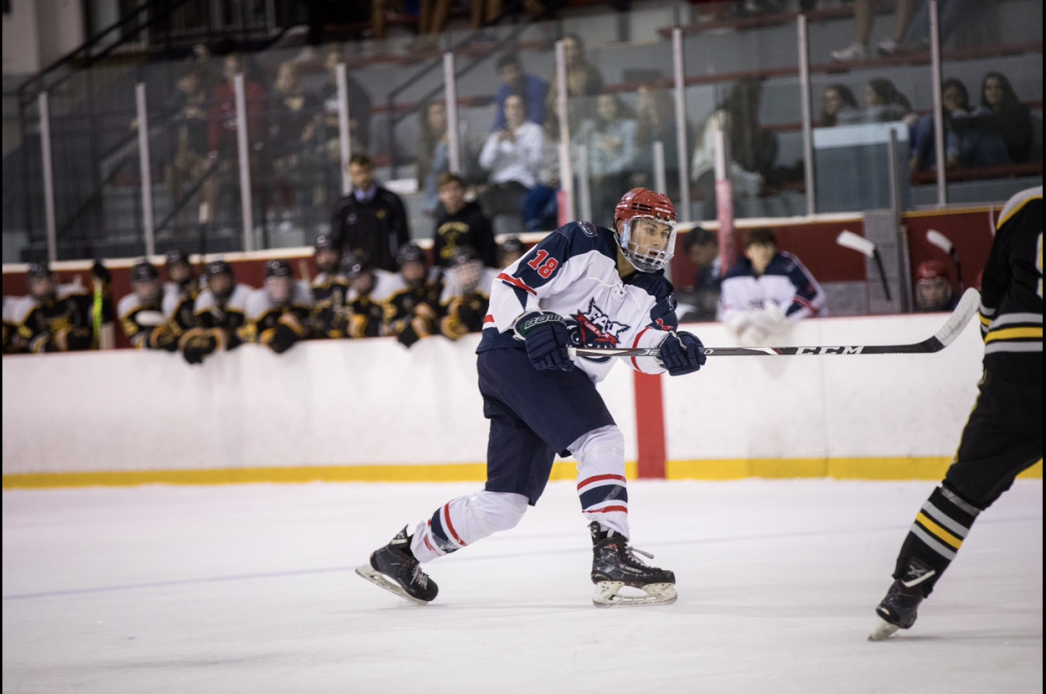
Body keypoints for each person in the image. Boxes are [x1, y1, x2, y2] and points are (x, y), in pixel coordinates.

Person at [355, 188, 706, 608]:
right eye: (648, 229)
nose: (656, 241)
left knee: (502, 505)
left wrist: (670, 350)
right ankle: (611, 552)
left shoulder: (657, 293)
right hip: (516, 353)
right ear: (623, 225)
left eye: (664, 233)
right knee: (600, 440)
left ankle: (400, 554)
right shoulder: (582, 242)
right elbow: (511, 284)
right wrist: (533, 320)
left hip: (544, 378)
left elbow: (641, 349)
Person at [870, 185, 1042, 640]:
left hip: (1019, 366)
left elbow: (992, 294)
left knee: (962, 491)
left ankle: (904, 592)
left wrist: (996, 357)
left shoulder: (1023, 205)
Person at [720, 227, 825, 346]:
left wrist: (783, 315)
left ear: (775, 248)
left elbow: (814, 295)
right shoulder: (733, 278)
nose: (763, 251)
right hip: (756, 338)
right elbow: (728, 311)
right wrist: (742, 328)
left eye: (767, 246)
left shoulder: (787, 266)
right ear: (748, 252)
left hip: (802, 337)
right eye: (757, 247)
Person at [691, 79, 777, 220]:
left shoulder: (749, 122)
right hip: (708, 167)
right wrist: (744, 177)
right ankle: (710, 230)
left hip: (732, 168)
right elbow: (717, 156)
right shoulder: (722, 116)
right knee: (719, 190)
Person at [204, 53, 268, 224]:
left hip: (252, 150)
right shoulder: (220, 92)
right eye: (228, 70)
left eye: (235, 70)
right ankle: (208, 222)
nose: (231, 74)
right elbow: (215, 125)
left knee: (245, 170)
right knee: (208, 170)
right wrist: (214, 153)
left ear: (245, 70)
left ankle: (244, 220)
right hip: (227, 151)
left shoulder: (255, 89)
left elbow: (254, 127)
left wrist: (236, 155)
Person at [331, 153, 410, 273]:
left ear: (372, 170)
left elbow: (403, 239)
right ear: (350, 176)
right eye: (357, 174)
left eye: (365, 171)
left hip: (387, 271)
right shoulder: (343, 207)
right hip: (357, 276)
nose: (363, 177)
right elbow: (337, 243)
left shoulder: (391, 201)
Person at [9, 262, 107, 353]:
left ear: (52, 279)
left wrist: (101, 292)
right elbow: (35, 345)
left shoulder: (74, 294)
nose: (41, 288)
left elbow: (98, 316)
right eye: (36, 283)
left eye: (43, 281)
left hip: (84, 354)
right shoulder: (25, 310)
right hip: (48, 364)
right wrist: (57, 342)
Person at [269, 61, 321, 231]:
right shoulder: (275, 101)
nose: (284, 80)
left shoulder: (310, 98)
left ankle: (314, 211)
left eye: (288, 76)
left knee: (310, 164)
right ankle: (285, 213)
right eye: (281, 77)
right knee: (273, 168)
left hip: (307, 148)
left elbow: (315, 125)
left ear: (297, 78)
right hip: (283, 151)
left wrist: (307, 137)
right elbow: (275, 131)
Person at [576, 93, 638, 228]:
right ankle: (596, 229)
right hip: (603, 178)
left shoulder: (629, 126)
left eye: (609, 104)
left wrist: (607, 172)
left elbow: (630, 157)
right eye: (602, 105)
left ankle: (618, 227)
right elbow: (594, 156)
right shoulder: (597, 131)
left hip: (624, 175)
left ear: (617, 106)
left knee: (608, 188)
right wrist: (598, 172)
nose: (606, 108)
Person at [477, 94, 543, 220]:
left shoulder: (534, 131)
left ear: (524, 109)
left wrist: (515, 143)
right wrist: (496, 143)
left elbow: (534, 164)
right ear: (505, 111)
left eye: (517, 107)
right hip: (498, 186)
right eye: (510, 107)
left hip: (521, 184)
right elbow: (485, 163)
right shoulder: (497, 134)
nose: (514, 111)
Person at [163, 64, 210, 232]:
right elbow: (163, 116)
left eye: (194, 77)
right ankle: (181, 220)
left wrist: (203, 115)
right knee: (171, 172)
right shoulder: (179, 102)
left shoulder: (210, 97)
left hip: (207, 155)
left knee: (201, 172)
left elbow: (218, 125)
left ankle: (205, 220)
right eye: (186, 78)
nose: (191, 81)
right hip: (188, 156)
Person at [180, 259, 252, 365]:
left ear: (231, 278)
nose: (220, 283)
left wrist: (216, 340)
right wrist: (192, 341)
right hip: (220, 368)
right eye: (215, 280)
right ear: (209, 283)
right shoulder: (203, 300)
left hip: (246, 364)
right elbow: (200, 329)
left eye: (223, 278)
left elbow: (249, 332)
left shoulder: (246, 296)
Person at [242, 260, 313, 354]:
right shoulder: (257, 302)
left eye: (286, 282)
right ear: (266, 284)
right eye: (275, 283)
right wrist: (263, 336)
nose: (281, 288)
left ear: (293, 282)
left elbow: (318, 325)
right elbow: (246, 334)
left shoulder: (305, 294)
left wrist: (303, 329)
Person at [433, 172, 497, 268]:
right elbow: (437, 255)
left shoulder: (478, 218)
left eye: (455, 189)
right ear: (440, 196)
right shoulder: (440, 221)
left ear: (464, 190)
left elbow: (489, 252)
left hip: (475, 274)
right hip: (448, 276)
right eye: (445, 190)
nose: (451, 194)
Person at [386, 243, 443, 348]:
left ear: (424, 265)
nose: (414, 271)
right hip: (407, 347)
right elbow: (389, 325)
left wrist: (434, 317)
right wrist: (413, 321)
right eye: (408, 268)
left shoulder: (439, 280)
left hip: (441, 339)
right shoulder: (395, 289)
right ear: (401, 270)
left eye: (417, 266)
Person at [437, 245, 500, 341]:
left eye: (472, 268)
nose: (468, 275)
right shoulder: (450, 289)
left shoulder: (496, 281)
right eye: (462, 271)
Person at [118, 260, 179, 351]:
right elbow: (137, 339)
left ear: (159, 281)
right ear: (134, 286)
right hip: (149, 353)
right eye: (143, 285)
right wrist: (154, 339)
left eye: (152, 283)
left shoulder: (172, 293)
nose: (149, 288)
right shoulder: (128, 306)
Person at [545, 34, 604, 124]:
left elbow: (592, 103)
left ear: (580, 51)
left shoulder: (590, 74)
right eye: (565, 49)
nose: (569, 53)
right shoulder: (557, 74)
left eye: (572, 49)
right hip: (560, 123)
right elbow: (551, 101)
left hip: (585, 121)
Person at [341, 249, 400, 338]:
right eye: (353, 279)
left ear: (370, 271)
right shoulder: (352, 293)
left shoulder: (390, 284)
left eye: (361, 276)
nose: (358, 283)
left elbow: (394, 324)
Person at [491, 53, 549, 132]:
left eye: (511, 71)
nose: (510, 77)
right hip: (519, 130)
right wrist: (498, 132)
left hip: (543, 128)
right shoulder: (503, 91)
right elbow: (500, 119)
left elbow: (538, 118)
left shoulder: (536, 85)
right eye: (504, 74)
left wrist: (519, 133)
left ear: (520, 70)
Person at [676, 227, 721, 323]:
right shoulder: (702, 272)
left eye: (696, 253)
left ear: (709, 246)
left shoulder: (731, 265)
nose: (693, 259)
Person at [310, 234, 350, 339]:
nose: (326, 258)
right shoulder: (315, 286)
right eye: (321, 254)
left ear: (339, 253)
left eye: (330, 252)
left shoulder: (350, 281)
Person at [417, 100, 452, 215]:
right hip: (435, 198)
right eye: (436, 113)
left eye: (443, 112)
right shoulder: (423, 144)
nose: (441, 117)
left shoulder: (454, 136)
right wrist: (443, 144)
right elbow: (433, 168)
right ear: (427, 119)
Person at [162, 249, 200, 339]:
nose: (179, 272)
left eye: (182, 267)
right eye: (174, 269)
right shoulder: (171, 299)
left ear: (189, 266)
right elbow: (177, 331)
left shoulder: (207, 285)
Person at [838, 78, 911, 124]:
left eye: (869, 95)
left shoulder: (897, 111)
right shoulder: (865, 112)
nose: (866, 99)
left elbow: (879, 113)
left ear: (881, 97)